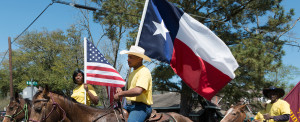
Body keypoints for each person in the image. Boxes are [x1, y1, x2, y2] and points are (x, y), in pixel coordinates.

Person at [114, 45, 153, 122]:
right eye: (128, 57)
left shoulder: (144, 71)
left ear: (139, 59)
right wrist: (120, 89)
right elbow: (128, 88)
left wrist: (120, 94)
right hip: (129, 106)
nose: (128, 60)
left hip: (141, 107)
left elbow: (138, 90)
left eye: (131, 57)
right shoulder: (132, 73)